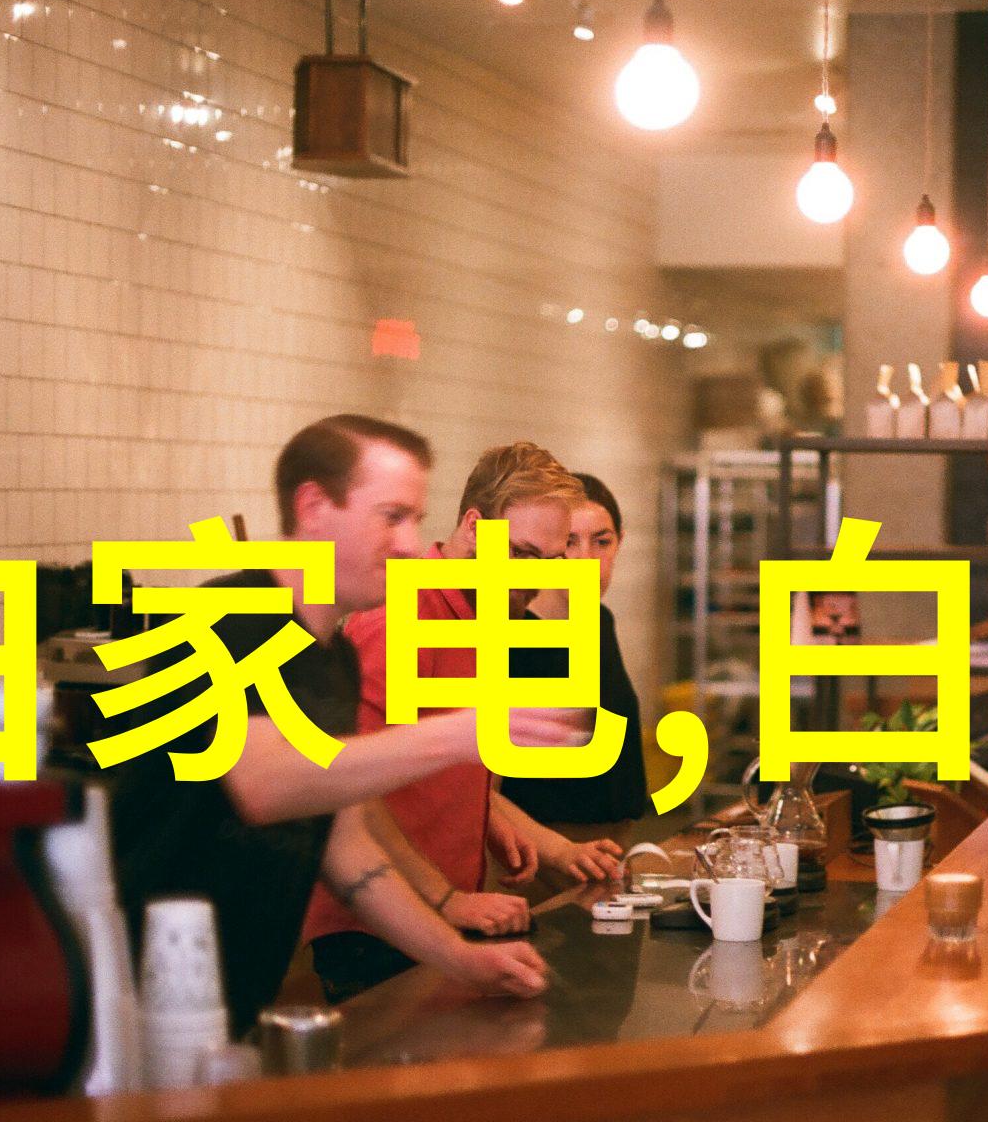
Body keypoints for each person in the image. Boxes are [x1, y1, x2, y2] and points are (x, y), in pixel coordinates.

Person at [108, 415, 569, 1034]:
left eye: (415, 519)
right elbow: (264, 783)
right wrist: (460, 733)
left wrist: (461, 958)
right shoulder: (227, 616)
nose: (410, 545)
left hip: (231, 992)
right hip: (131, 988)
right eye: (391, 517)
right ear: (314, 507)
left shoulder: (336, 658)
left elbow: (347, 849)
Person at [304, 444, 623, 1001]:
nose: (535, 579)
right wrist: (444, 898)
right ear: (475, 527)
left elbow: (435, 762)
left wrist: (519, 831)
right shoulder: (402, 616)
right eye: (521, 554)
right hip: (376, 924)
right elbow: (351, 790)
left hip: (443, 914)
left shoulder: (488, 615)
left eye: (550, 560)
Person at [502, 472, 650, 830]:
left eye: (602, 542)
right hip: (543, 847)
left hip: (614, 838)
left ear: (620, 541)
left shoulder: (600, 620)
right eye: (570, 542)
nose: (586, 560)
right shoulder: (514, 636)